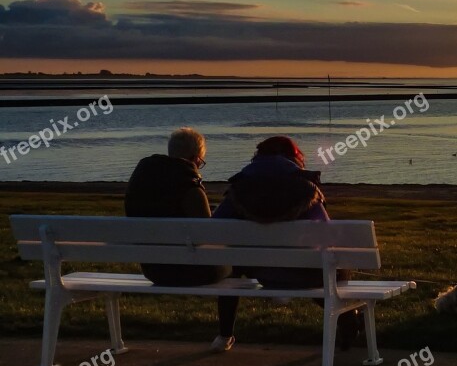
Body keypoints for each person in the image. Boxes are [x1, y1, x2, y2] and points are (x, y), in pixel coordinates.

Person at [211, 136, 361, 353]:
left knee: (235, 263)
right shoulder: (306, 188)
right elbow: (327, 235)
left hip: (260, 271)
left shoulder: (239, 188)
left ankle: (225, 335)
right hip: (303, 273)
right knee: (329, 268)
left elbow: (215, 228)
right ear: (294, 157)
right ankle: (347, 317)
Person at [125, 127, 231, 286]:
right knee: (234, 260)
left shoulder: (142, 180)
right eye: (200, 162)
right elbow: (205, 236)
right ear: (195, 158)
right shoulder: (190, 187)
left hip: (153, 270)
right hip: (191, 271)